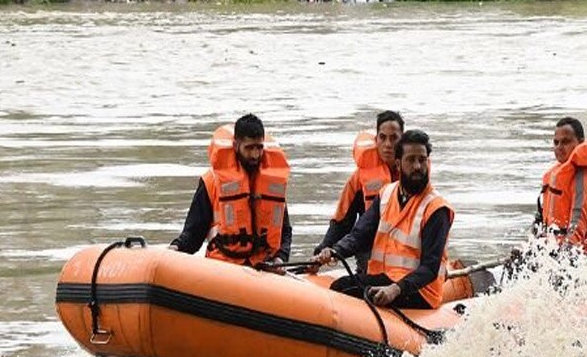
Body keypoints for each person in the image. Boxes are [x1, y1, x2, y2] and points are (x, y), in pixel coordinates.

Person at [313, 129, 453, 309]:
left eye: (422, 160)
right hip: (386, 278)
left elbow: (430, 268)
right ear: (398, 164)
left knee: (343, 289)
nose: (417, 166)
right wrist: (334, 251)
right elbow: (360, 235)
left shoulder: (436, 209)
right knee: (342, 286)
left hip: (419, 290)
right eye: (411, 160)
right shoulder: (386, 194)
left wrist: (395, 289)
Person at [169, 114, 292, 269]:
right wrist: (175, 248)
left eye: (259, 148)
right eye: (249, 148)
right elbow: (193, 233)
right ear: (236, 145)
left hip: (263, 267)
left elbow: (284, 231)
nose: (255, 155)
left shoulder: (272, 183)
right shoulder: (211, 181)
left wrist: (280, 258)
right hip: (222, 267)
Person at [313, 111, 404, 269]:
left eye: (394, 138)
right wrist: (323, 251)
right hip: (370, 253)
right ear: (376, 140)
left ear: (402, 141)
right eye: (383, 138)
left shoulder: (413, 175)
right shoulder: (359, 179)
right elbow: (342, 222)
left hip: (404, 253)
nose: (388, 144)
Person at [534, 117, 587, 262]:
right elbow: (539, 224)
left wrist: (559, 258)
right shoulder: (553, 176)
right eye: (556, 142)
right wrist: (530, 248)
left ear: (581, 143)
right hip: (563, 252)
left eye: (565, 142)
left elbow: (576, 229)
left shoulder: (585, 180)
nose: (559, 147)